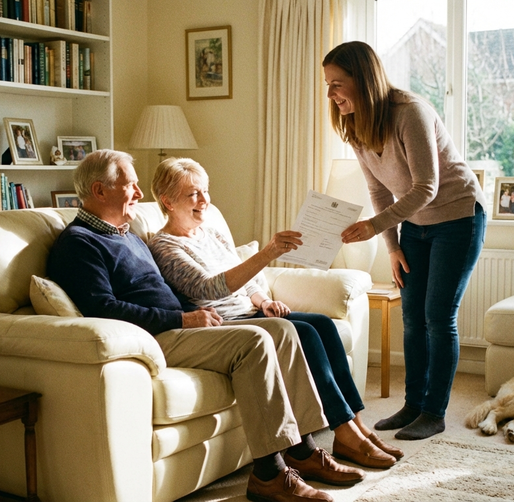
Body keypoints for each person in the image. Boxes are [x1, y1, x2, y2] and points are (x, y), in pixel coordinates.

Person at [47, 150, 361, 502]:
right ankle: (269, 475)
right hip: (152, 338)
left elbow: (162, 292)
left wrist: (195, 314)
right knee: (255, 342)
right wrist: (183, 318)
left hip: (179, 325)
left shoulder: (127, 235)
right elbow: (103, 309)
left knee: (285, 331)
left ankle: (302, 451)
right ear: (99, 191)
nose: (139, 193)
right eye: (131, 185)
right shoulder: (79, 243)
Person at [147, 157, 403, 471]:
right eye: (193, 194)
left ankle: (357, 427)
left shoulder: (210, 233)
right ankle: (345, 432)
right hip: (225, 324)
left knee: (322, 324)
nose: (204, 200)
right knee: (304, 332)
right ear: (168, 202)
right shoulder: (164, 246)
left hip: (252, 313)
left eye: (205, 191)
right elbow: (209, 288)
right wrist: (268, 253)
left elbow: (247, 280)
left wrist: (263, 301)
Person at [323, 41, 487, 441]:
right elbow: (379, 190)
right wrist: (393, 247)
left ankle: (434, 412)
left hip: (458, 216)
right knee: (412, 316)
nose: (330, 94)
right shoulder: (356, 125)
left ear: (364, 79)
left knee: (438, 316)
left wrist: (373, 227)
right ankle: (413, 405)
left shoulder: (409, 112)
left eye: (337, 83)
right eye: (327, 84)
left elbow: (426, 186)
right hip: (414, 224)